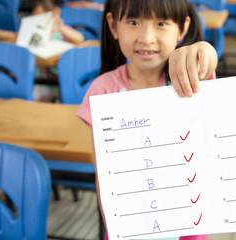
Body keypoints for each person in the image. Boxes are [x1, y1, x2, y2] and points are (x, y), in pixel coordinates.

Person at [76, 0, 218, 239]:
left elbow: (207, 63)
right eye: (133, 22)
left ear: (182, 29)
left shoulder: (188, 82)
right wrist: (114, 224)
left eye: (161, 23)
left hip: (188, 223)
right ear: (112, 25)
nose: (146, 37)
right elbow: (104, 170)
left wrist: (205, 51)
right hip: (129, 226)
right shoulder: (103, 89)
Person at [0, 0, 84, 44]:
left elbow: (79, 39)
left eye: (41, 16)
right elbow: (17, 37)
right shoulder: (30, 30)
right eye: (33, 17)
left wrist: (61, 28)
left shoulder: (61, 31)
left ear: (55, 13)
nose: (37, 20)